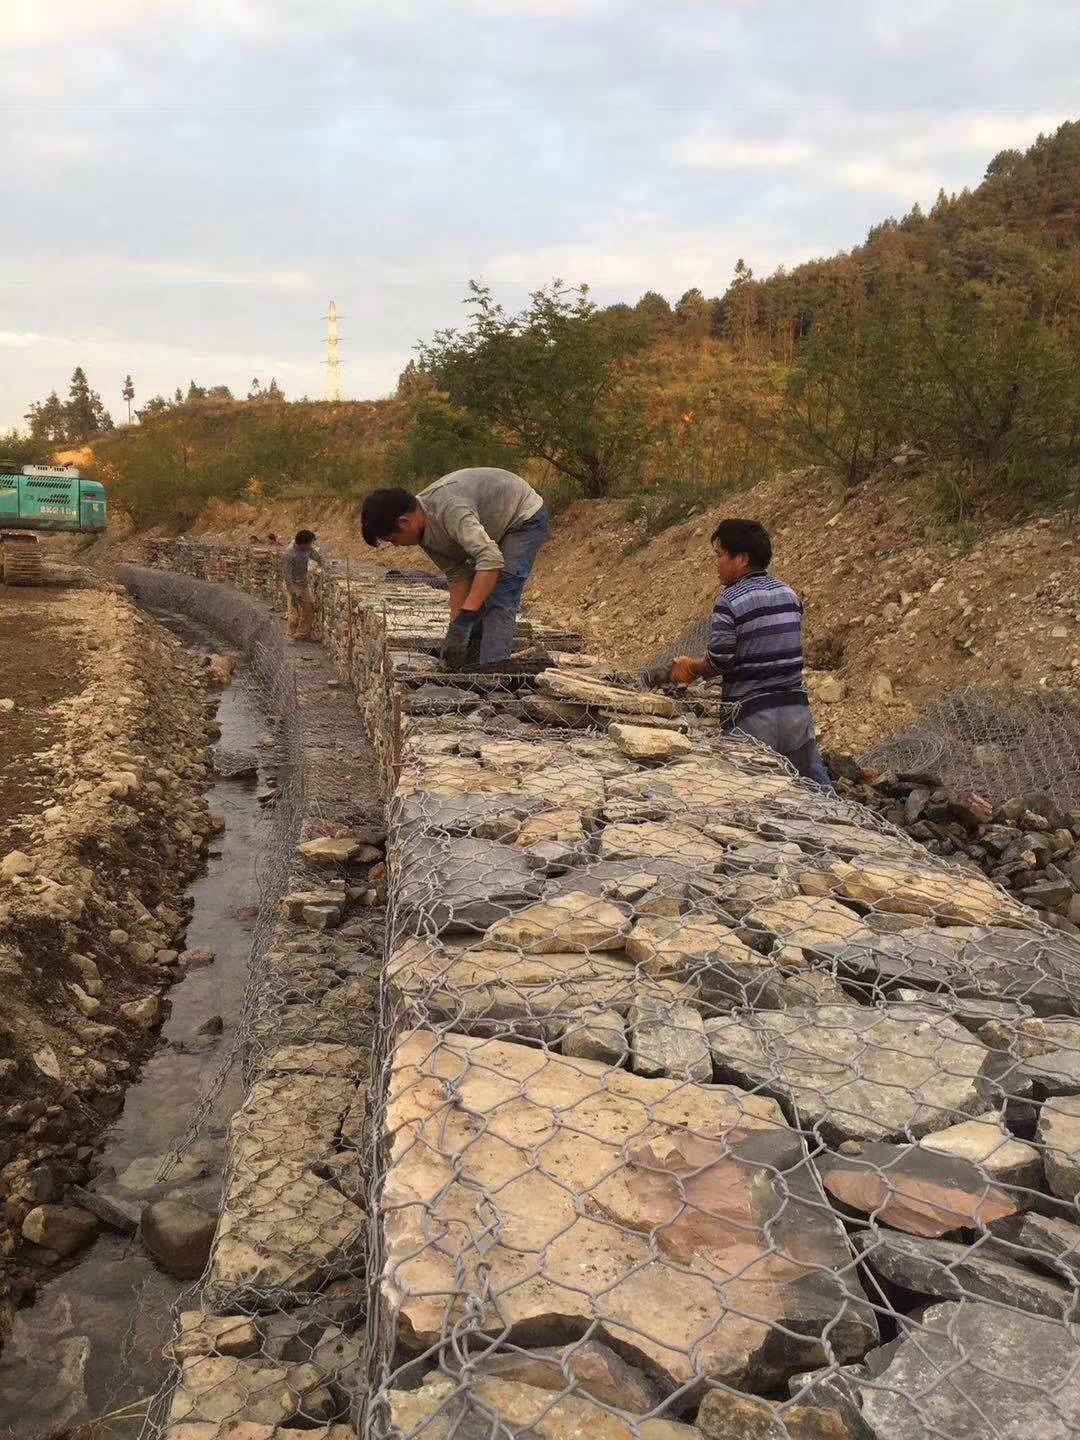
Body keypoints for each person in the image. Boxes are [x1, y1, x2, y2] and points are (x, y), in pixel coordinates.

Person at [667, 518, 831, 787]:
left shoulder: (729, 600)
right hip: (796, 713)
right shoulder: (789, 594)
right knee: (814, 787)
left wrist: (690, 667)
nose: (717, 564)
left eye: (720, 555)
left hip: (753, 718)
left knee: (750, 792)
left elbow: (720, 660)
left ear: (742, 559)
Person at [360, 467, 550, 668]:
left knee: (500, 595)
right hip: (491, 525)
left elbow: (491, 558)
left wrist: (465, 617)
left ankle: (493, 674)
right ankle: (469, 668)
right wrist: (455, 630)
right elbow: (457, 575)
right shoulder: (422, 531)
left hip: (522, 516)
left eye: (393, 539)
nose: (397, 545)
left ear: (404, 522)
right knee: (476, 601)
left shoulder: (450, 509)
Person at [280, 528, 325, 642]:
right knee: (294, 614)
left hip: (303, 585)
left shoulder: (307, 549)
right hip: (292, 586)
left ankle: (302, 634)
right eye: (309, 543)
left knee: (308, 611)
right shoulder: (289, 555)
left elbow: (317, 557)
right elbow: (287, 575)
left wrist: (322, 565)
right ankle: (290, 635)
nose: (311, 545)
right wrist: (292, 592)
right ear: (302, 543)